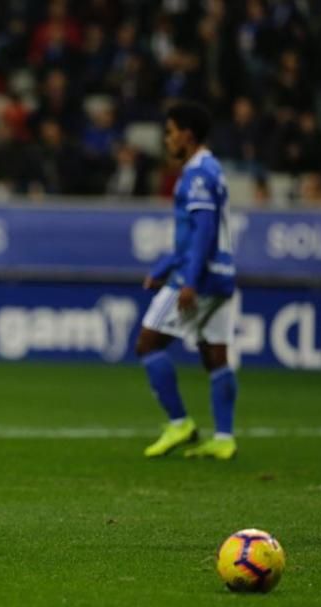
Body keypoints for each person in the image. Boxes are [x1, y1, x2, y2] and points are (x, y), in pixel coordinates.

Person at [137, 101, 238, 461]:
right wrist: (166, 262)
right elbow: (197, 232)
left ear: (187, 135)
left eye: (170, 132)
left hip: (200, 277)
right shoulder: (213, 169)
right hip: (224, 274)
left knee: (148, 343)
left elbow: (203, 231)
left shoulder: (196, 173)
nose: (167, 140)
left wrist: (188, 279)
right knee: (216, 355)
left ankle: (180, 422)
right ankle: (224, 438)